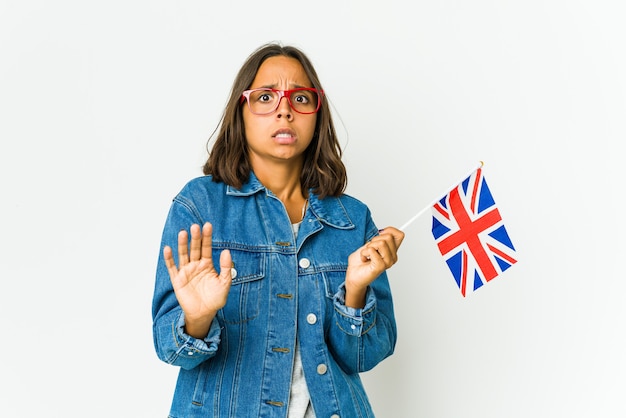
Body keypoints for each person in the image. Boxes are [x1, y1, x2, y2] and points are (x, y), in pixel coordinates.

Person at [151, 42, 405, 418]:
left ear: (317, 115)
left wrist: (354, 292)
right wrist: (198, 318)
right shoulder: (200, 207)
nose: (284, 109)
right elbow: (170, 348)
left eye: (301, 98)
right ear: (242, 111)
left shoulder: (352, 219)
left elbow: (366, 356)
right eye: (266, 97)